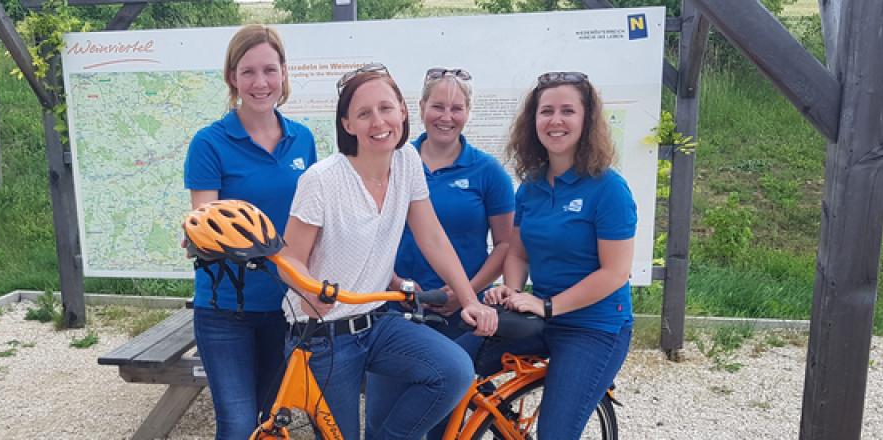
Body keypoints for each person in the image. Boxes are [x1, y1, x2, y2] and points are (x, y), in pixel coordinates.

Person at [273, 63, 499, 439]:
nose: (378, 122)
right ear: (347, 124)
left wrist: (468, 298)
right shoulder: (322, 180)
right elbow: (287, 259)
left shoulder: (407, 161)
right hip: (321, 335)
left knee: (454, 370)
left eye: (386, 108)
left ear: (403, 112)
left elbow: (432, 236)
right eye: (364, 113)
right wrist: (311, 289)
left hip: (375, 323)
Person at [460, 71, 637, 440]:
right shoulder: (532, 187)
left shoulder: (609, 189)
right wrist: (511, 290)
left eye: (567, 111)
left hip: (594, 326)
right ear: (533, 121)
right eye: (546, 111)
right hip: (543, 317)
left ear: (587, 120)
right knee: (453, 366)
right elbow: (518, 252)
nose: (555, 121)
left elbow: (615, 273)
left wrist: (548, 306)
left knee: (555, 432)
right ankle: (503, 422)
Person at [182, 24, 317, 439]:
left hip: (287, 307)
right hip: (226, 311)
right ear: (232, 78)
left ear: (284, 74)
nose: (261, 83)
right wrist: (200, 239)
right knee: (238, 424)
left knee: (269, 420)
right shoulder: (209, 143)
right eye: (248, 72)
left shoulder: (303, 140)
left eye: (270, 70)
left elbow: (313, 218)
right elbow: (206, 226)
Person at [390, 67, 515, 335]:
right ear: (421, 107)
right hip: (398, 306)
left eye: (456, 108)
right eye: (437, 106)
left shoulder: (488, 171)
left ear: (468, 112)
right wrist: (395, 283)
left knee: (461, 375)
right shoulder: (394, 162)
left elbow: (506, 244)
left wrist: (466, 291)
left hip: (465, 314)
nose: (446, 117)